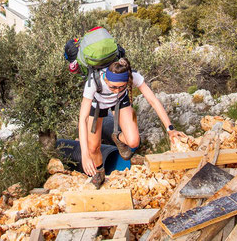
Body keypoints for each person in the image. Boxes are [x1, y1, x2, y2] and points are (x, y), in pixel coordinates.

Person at [78, 57, 184, 188]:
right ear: (105, 79)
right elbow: (83, 119)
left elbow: (153, 101)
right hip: (97, 104)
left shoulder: (133, 76)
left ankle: (118, 138)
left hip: (120, 102)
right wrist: (85, 155)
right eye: (113, 87)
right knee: (93, 147)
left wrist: (170, 129)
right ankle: (99, 173)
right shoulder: (93, 82)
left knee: (134, 141)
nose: (116, 90)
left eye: (121, 87)